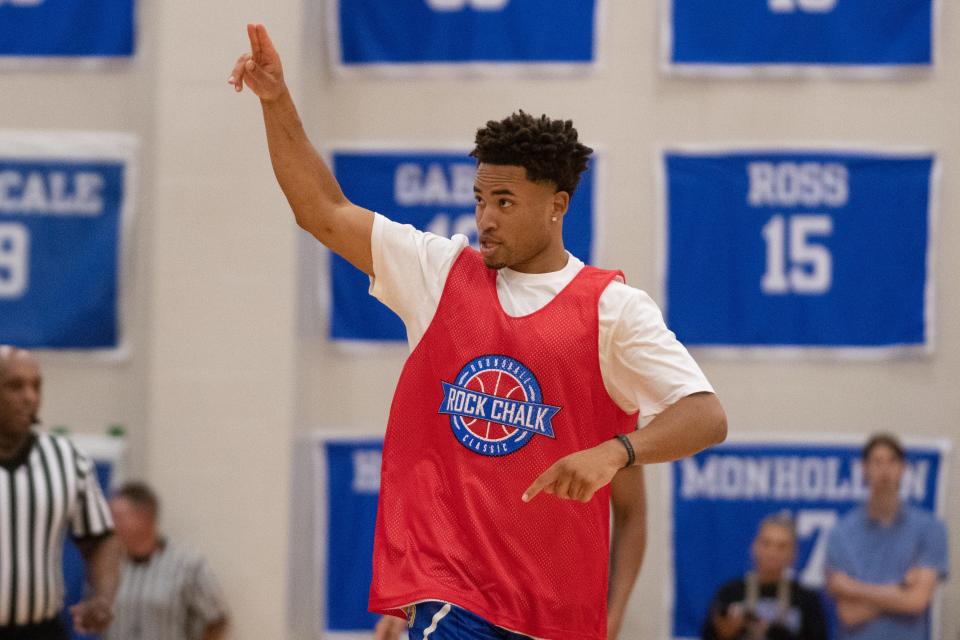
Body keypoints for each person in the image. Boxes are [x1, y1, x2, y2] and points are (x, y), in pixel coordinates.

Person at [229, 24, 726, 640]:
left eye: (506, 202)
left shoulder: (613, 309)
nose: (485, 218)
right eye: (480, 199)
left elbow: (706, 415)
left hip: (558, 615)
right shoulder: (440, 272)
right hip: (455, 601)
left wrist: (616, 451)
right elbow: (322, 211)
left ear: (558, 204)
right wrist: (277, 102)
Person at [0, 345, 120, 640]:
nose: (30, 397)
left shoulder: (67, 458)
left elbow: (101, 538)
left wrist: (102, 597)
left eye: (36, 386)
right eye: (16, 386)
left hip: (41, 630)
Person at [825, 433, 949, 640]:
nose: (885, 470)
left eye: (892, 461)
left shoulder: (931, 529)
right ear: (864, 469)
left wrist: (854, 590)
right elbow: (847, 614)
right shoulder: (841, 532)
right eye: (877, 462)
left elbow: (917, 602)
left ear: (903, 469)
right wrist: (901, 587)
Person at [105, 481, 228, 640]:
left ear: (144, 516)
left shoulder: (187, 563)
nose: (111, 525)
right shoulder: (108, 566)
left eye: (118, 517)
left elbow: (216, 618)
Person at [702, 514, 828, 640]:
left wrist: (775, 632)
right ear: (754, 547)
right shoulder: (730, 593)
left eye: (782, 546)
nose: (772, 553)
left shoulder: (806, 599)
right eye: (766, 543)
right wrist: (725, 634)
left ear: (793, 554)